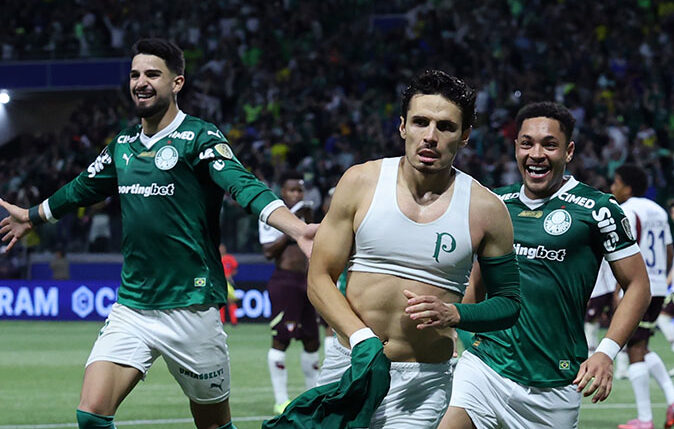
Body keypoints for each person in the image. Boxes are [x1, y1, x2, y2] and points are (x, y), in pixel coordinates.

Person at [0, 38, 316, 429]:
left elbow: (243, 185)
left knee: (214, 426)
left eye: (152, 74)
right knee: (91, 415)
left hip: (191, 307)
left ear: (177, 82)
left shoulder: (200, 137)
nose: (141, 82)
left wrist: (297, 229)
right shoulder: (123, 146)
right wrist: (33, 216)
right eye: (135, 75)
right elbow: (81, 189)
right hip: (133, 306)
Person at [302, 70, 521, 428]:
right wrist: (362, 340)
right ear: (403, 127)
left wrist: (455, 314)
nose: (430, 136)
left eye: (446, 127)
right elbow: (319, 278)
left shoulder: (487, 209)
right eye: (420, 122)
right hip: (350, 366)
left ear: (465, 136)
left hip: (422, 384)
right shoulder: (360, 182)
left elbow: (509, 303)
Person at [443, 101, 651, 429]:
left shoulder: (598, 209)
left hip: (554, 385)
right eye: (527, 144)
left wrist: (605, 352)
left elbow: (638, 285)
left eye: (549, 145)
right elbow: (476, 284)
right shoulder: (496, 203)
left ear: (569, 151)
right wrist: (459, 336)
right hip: (485, 368)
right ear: (516, 147)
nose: (536, 154)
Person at [609, 164, 674, 429]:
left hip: (638, 288)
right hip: (657, 286)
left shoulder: (627, 210)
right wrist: (660, 278)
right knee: (641, 345)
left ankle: (645, 420)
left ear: (627, 187)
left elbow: (626, 253)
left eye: (616, 182)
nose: (612, 188)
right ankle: (672, 400)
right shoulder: (658, 210)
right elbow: (669, 249)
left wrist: (619, 290)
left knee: (634, 349)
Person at [258, 171, 320, 415]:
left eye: (299, 190)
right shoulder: (272, 216)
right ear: (282, 192)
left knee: (312, 341)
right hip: (285, 282)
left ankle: (313, 397)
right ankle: (281, 400)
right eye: (292, 190)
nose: (296, 194)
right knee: (281, 339)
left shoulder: (308, 215)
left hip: (308, 282)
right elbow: (268, 252)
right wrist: (293, 227)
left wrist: (309, 222)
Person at [218, 243, 239, 326]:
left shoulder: (230, 258)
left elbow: (235, 269)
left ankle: (234, 321)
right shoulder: (216, 258)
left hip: (228, 283)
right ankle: (222, 320)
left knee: (231, 301)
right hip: (219, 282)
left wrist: (230, 275)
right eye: (220, 248)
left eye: (222, 248)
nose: (221, 250)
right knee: (221, 301)